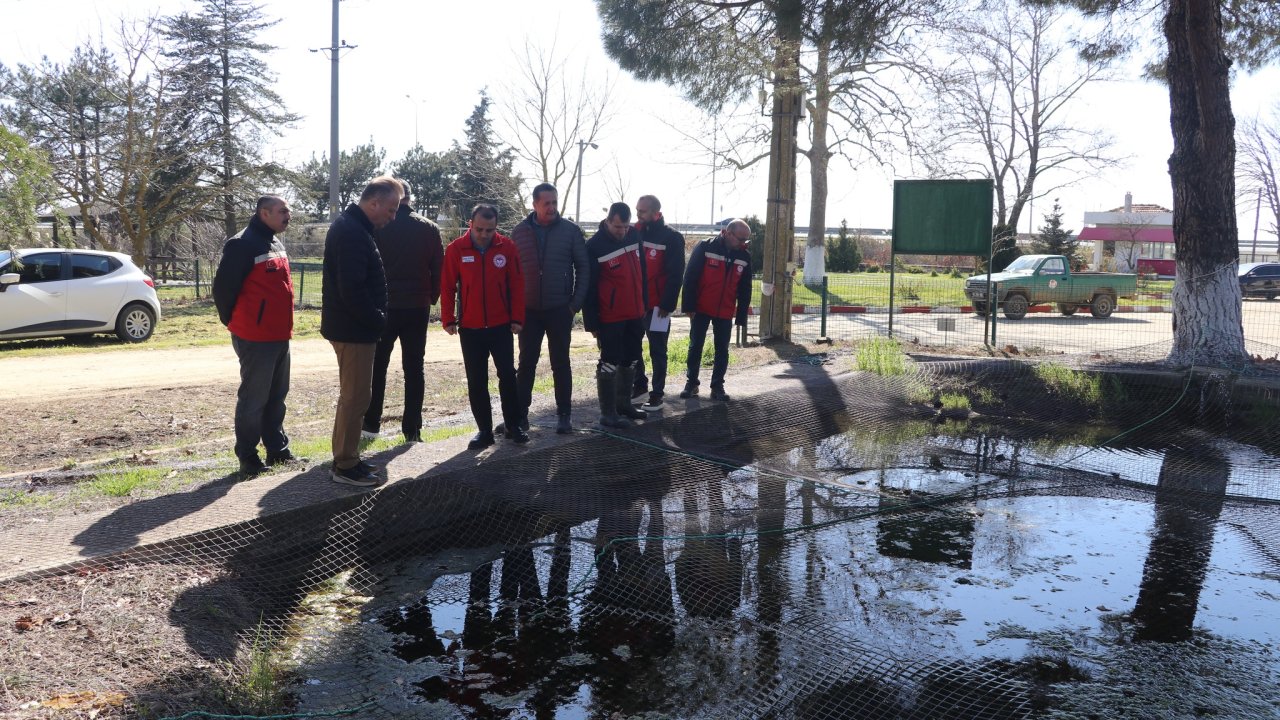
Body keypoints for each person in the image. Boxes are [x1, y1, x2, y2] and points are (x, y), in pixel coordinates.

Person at [320, 176, 402, 486]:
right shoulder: (352, 232)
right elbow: (351, 289)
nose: (393, 217)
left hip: (355, 327)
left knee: (355, 397)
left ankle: (348, 457)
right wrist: (377, 319)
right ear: (373, 203)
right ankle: (344, 465)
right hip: (353, 329)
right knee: (355, 397)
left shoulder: (355, 228)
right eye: (392, 209)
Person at [213, 195, 297, 477]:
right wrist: (238, 323)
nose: (289, 216)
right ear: (264, 213)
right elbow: (223, 290)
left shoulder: (275, 240)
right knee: (254, 399)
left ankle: (277, 450)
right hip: (255, 336)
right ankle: (248, 457)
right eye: (283, 211)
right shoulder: (242, 244)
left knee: (277, 396)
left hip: (279, 334)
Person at [362, 179, 444, 443]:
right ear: (411, 198)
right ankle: (412, 428)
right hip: (416, 306)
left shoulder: (377, 225)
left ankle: (371, 423)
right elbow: (437, 268)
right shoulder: (428, 228)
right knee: (414, 367)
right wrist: (431, 297)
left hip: (385, 305)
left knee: (378, 366)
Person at [440, 204, 528, 448]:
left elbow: (517, 285)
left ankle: (514, 425)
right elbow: (447, 286)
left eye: (490, 230)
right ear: (470, 224)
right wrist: (448, 318)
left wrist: (517, 318)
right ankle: (484, 431)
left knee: (508, 377)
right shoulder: (456, 249)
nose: (484, 234)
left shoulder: (507, 247)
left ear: (496, 227)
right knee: (476, 380)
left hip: (501, 326)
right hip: (470, 327)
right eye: (479, 229)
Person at [509, 182, 589, 434]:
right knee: (526, 363)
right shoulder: (519, 232)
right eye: (547, 203)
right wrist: (514, 309)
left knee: (561, 363)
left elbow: (584, 267)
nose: (552, 207)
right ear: (534, 205)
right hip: (529, 311)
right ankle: (520, 416)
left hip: (559, 309)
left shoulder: (570, 231)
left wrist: (574, 304)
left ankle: (564, 414)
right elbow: (511, 273)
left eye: (555, 202)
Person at [584, 202, 648, 429]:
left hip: (635, 312)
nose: (621, 231)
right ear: (608, 221)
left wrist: (645, 304)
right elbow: (588, 286)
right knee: (609, 361)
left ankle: (624, 404)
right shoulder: (594, 246)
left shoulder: (635, 236)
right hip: (610, 316)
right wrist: (591, 321)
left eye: (625, 227)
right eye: (617, 226)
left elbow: (643, 274)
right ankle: (607, 412)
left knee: (632, 357)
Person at [680, 219, 752, 401]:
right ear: (727, 233)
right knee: (696, 345)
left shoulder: (744, 256)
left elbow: (745, 288)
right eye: (741, 239)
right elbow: (690, 277)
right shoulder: (705, 247)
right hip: (701, 308)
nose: (744, 243)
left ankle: (717, 386)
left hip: (725, 311)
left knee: (722, 349)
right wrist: (688, 306)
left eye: (746, 240)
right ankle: (691, 383)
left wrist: (741, 315)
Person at [630, 194, 685, 411]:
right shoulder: (635, 232)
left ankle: (657, 394)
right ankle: (640, 386)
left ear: (655, 212)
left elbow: (675, 274)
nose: (638, 215)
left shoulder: (671, 237)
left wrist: (667, 304)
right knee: (633, 347)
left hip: (658, 307)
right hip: (636, 305)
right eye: (637, 210)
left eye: (642, 211)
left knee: (657, 350)